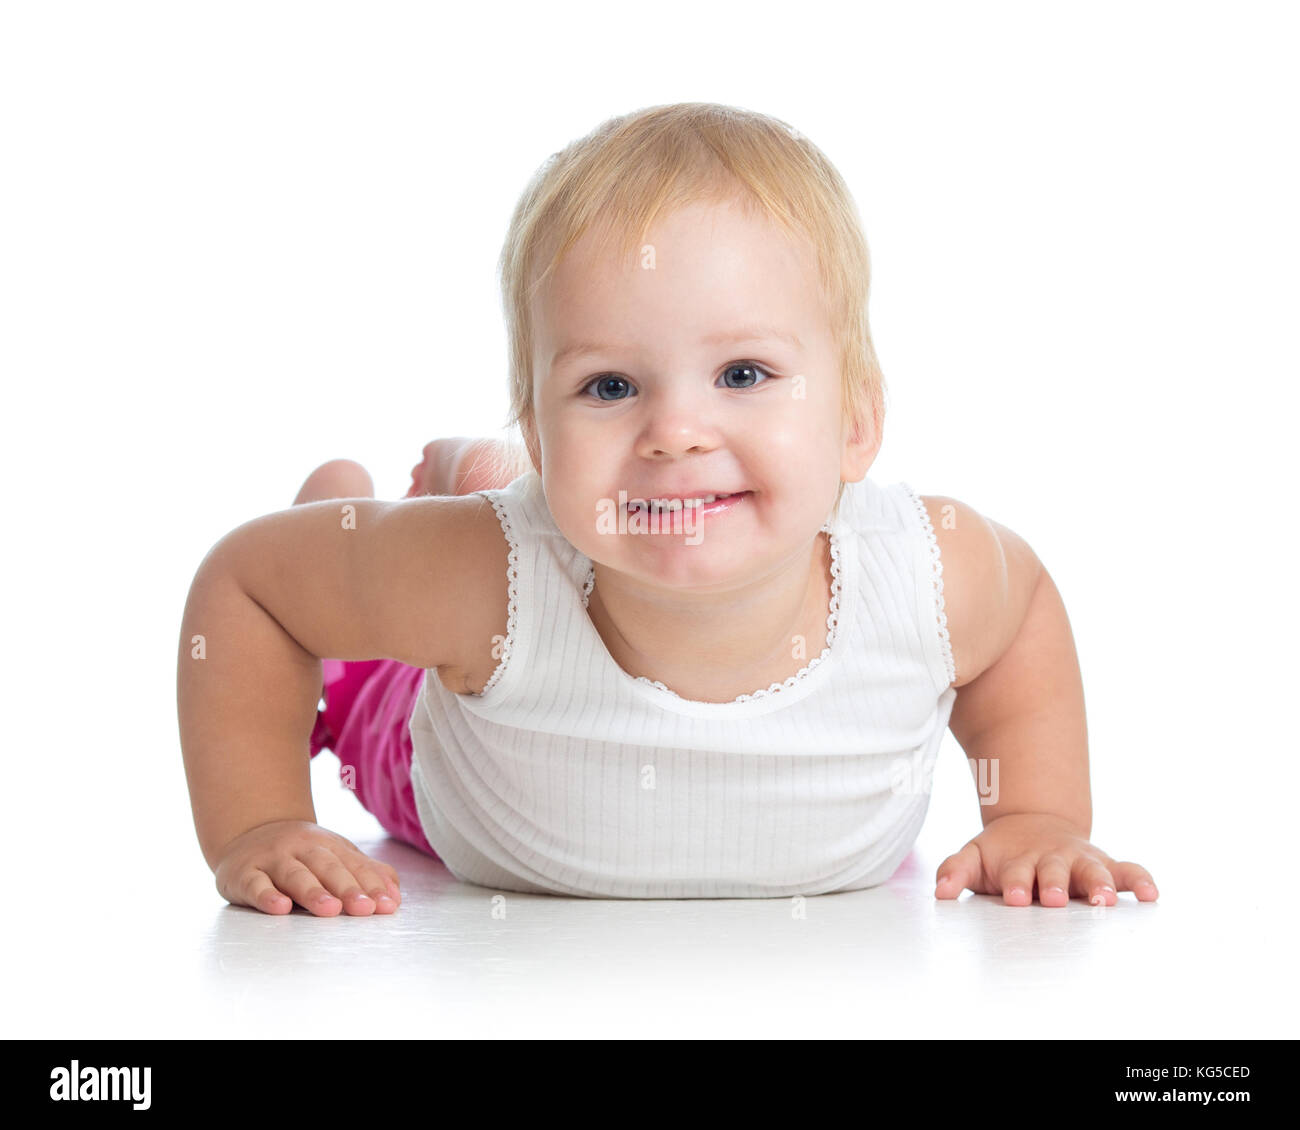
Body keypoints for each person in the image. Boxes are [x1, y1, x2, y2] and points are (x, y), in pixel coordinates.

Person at [177, 101, 1159, 914]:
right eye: (609, 386)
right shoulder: (484, 581)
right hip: (445, 743)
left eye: (743, 371)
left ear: (856, 421)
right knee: (374, 648)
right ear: (546, 426)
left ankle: (473, 466)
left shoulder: (927, 573)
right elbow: (253, 587)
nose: (676, 430)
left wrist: (1034, 814)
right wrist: (260, 820)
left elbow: (1020, 613)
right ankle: (359, 505)